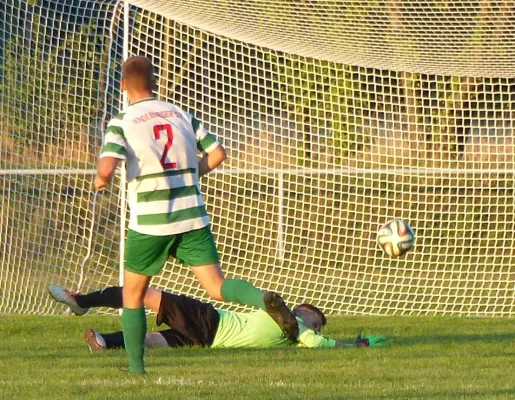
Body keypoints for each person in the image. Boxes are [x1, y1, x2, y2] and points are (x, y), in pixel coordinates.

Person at [93, 56, 297, 374]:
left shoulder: (122, 121)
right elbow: (217, 154)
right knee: (216, 285)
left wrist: (100, 180)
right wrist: (191, 173)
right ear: (155, 83)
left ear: (123, 86)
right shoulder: (182, 114)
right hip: (192, 217)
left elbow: (107, 168)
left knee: (133, 295)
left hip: (151, 220)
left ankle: (136, 370)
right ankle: (263, 300)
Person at [48, 284, 389, 351]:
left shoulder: (296, 330)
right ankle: (105, 342)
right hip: (209, 336)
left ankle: (83, 301)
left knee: (137, 291)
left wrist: (352, 345)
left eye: (312, 323)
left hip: (209, 322)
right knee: (153, 341)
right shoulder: (290, 323)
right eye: (310, 317)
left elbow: (321, 343)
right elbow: (320, 341)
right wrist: (353, 345)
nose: (309, 323)